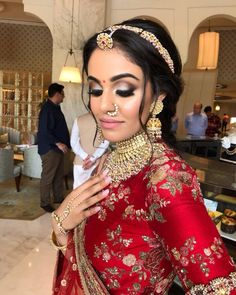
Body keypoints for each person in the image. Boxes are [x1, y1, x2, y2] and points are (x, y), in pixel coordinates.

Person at [51, 19, 236, 294]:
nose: (104, 106)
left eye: (124, 90)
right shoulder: (111, 157)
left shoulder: (166, 178)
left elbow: (220, 288)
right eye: (95, 89)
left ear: (158, 94)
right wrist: (61, 226)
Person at [38, 83, 71, 212]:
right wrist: (58, 143)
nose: (64, 97)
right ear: (57, 94)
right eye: (62, 94)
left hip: (58, 149)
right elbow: (44, 131)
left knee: (58, 175)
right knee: (48, 176)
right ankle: (44, 202)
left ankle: (58, 197)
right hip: (50, 149)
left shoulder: (55, 108)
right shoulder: (47, 109)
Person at [70, 112, 109, 188]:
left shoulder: (79, 119)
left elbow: (73, 142)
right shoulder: (105, 120)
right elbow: (106, 141)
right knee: (96, 189)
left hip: (81, 162)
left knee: (79, 190)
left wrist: (85, 156)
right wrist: (92, 158)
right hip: (99, 162)